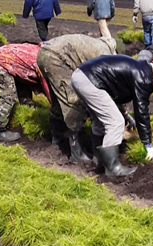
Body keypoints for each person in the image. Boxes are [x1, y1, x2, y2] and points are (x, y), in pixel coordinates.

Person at [71, 55, 153, 176]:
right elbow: (141, 112)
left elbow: (113, 96)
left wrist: (126, 115)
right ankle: (114, 169)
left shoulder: (139, 69)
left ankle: (98, 160)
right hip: (90, 80)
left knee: (100, 121)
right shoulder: (144, 78)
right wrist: (148, 144)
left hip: (81, 76)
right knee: (116, 122)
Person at [37, 34, 125, 163]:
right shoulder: (104, 54)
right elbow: (106, 87)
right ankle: (77, 153)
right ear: (115, 52)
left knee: (58, 99)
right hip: (57, 58)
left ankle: (57, 139)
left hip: (44, 53)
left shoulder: (96, 44)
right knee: (73, 103)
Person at [0, 43, 51, 142]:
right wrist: (57, 107)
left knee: (24, 81)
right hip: (1, 60)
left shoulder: (45, 52)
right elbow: (48, 88)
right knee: (8, 95)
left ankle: (27, 110)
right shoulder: (42, 63)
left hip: (14, 58)